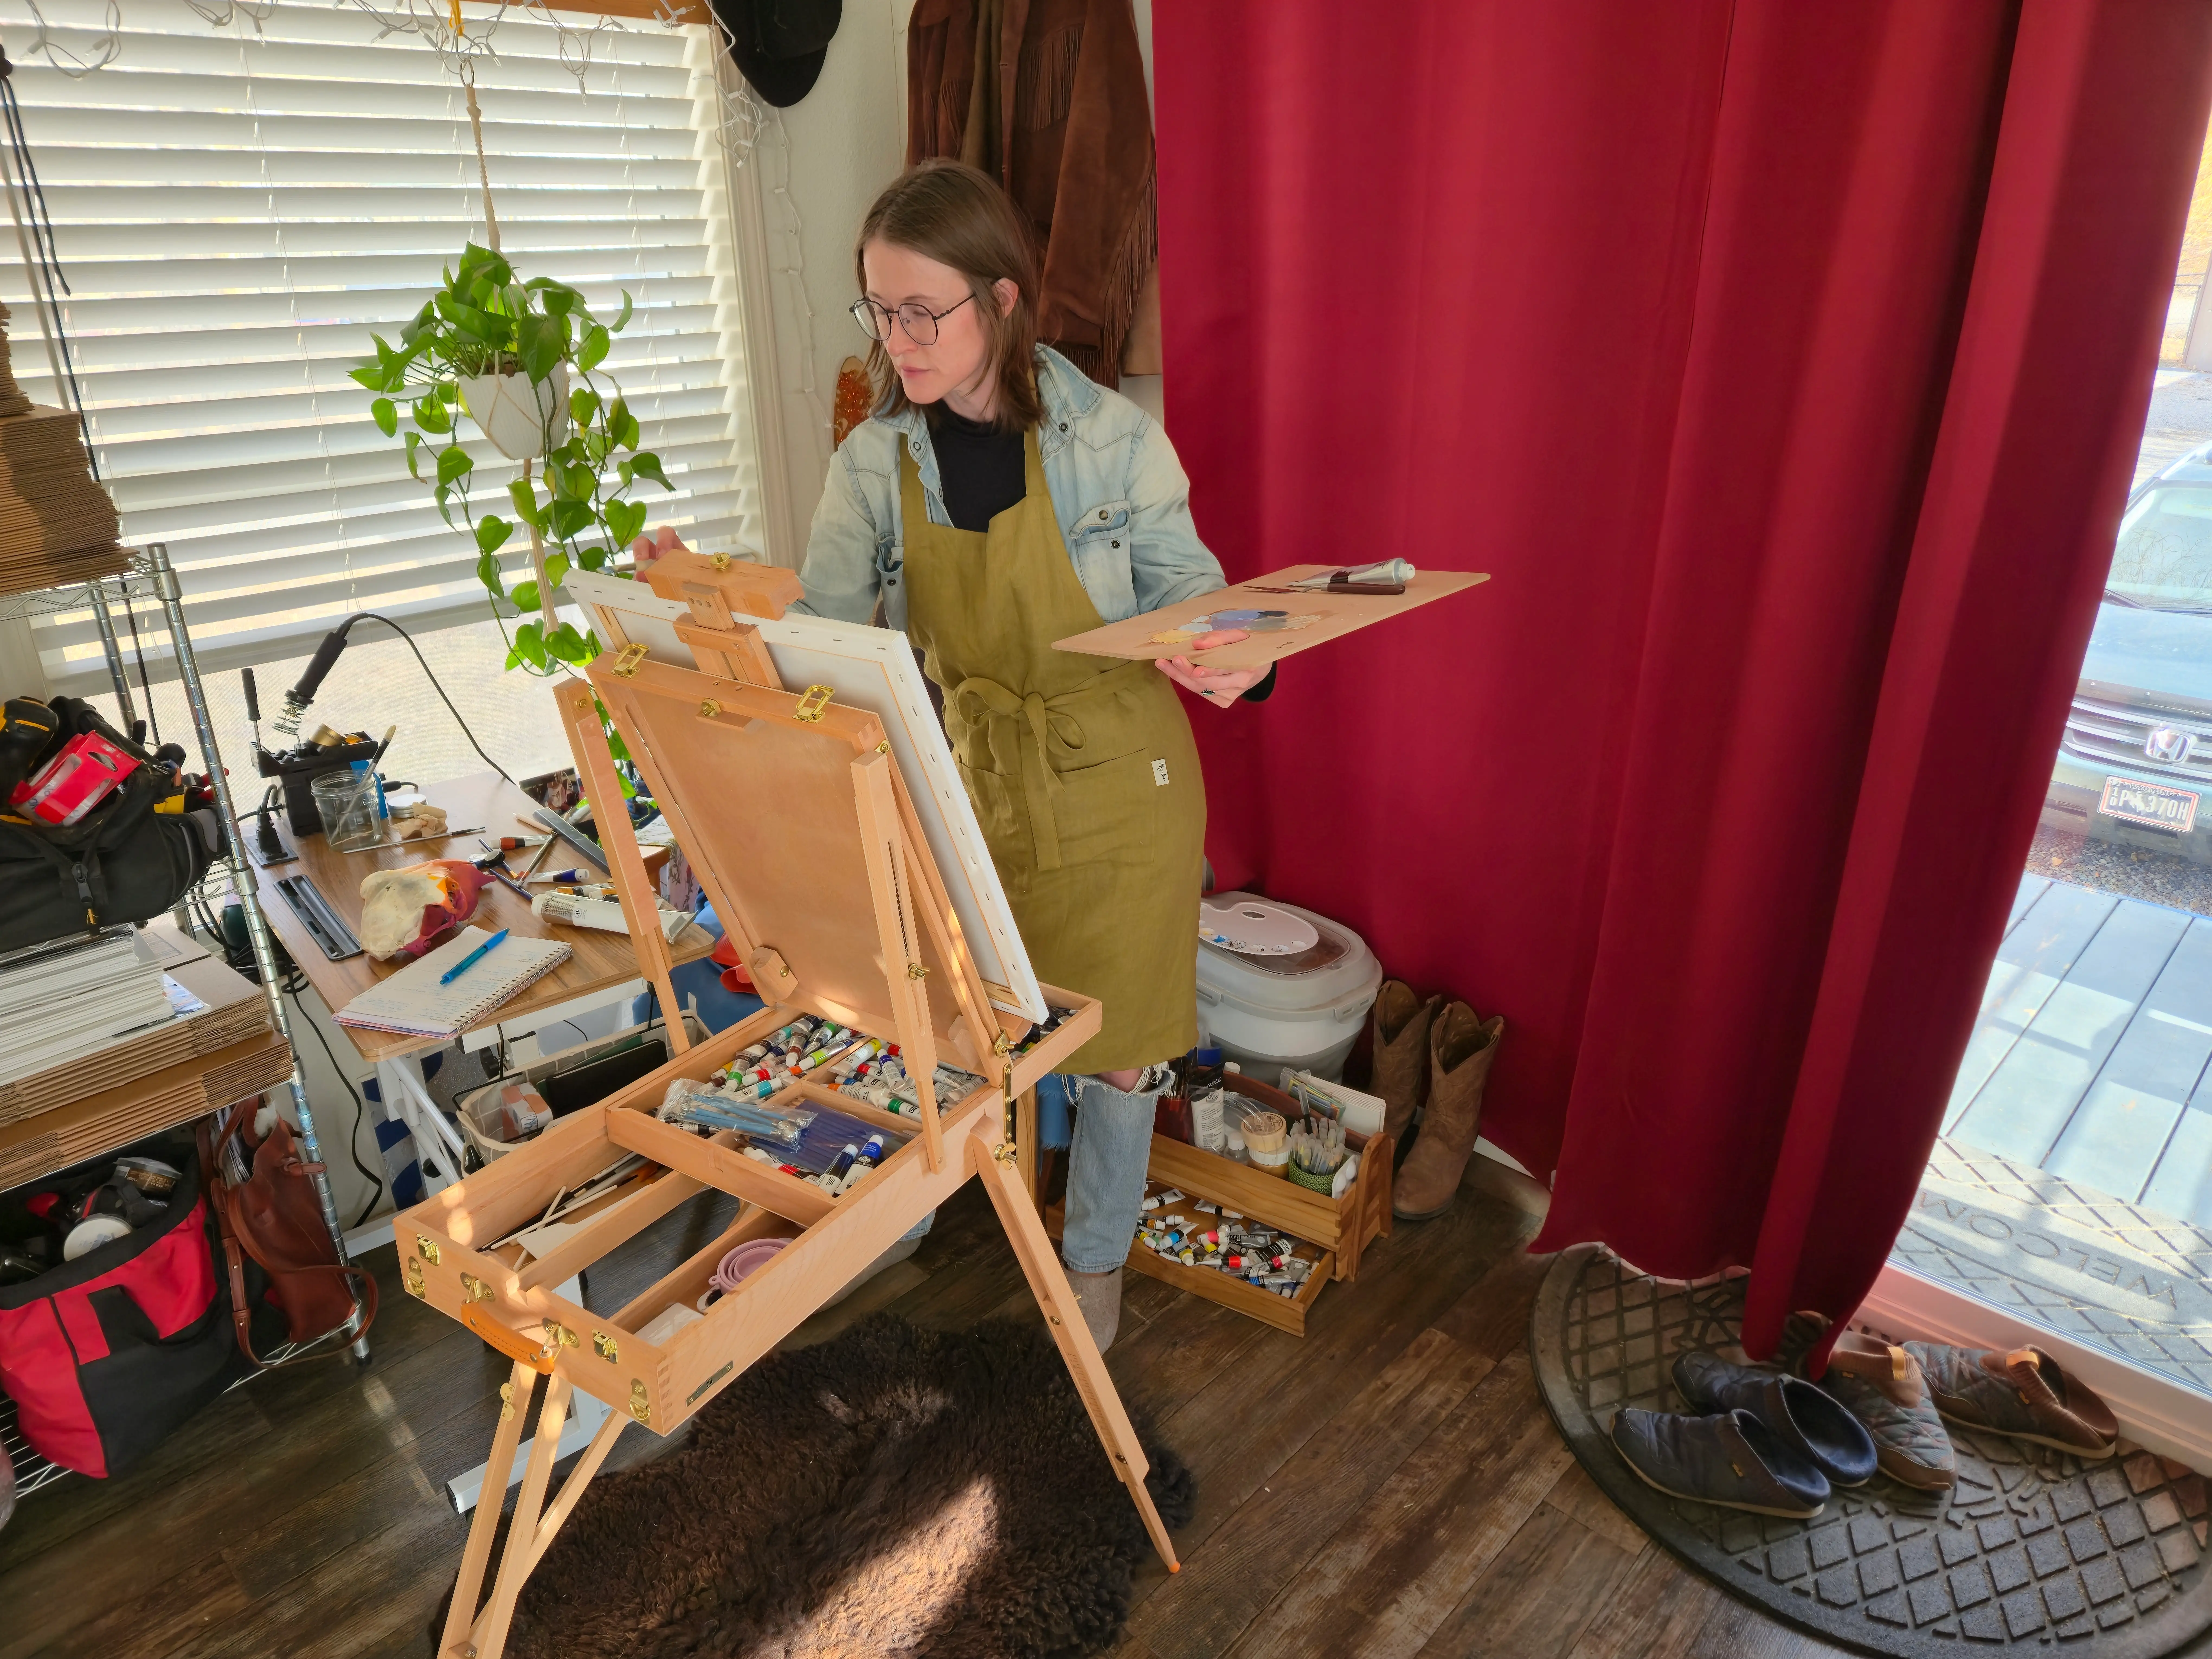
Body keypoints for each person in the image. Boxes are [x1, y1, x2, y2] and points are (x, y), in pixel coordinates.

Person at [637, 159, 1271, 1351]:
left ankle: (1093, 1266)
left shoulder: (1111, 443)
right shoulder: (877, 462)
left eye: (925, 312)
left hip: (1117, 783)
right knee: (959, 1029)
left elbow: (1199, 599)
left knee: (1123, 1058)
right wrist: (702, 597)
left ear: (1005, 300)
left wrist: (1240, 656)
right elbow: (819, 634)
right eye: (881, 310)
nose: (901, 339)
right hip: (969, 778)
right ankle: (922, 1211)